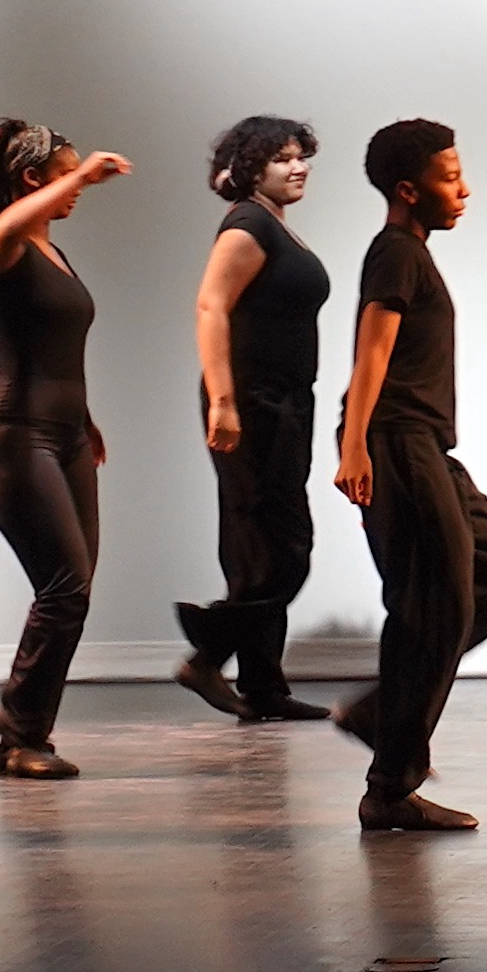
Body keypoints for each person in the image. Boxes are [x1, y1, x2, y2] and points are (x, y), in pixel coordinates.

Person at [332, 120, 487, 831]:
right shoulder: (395, 252)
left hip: (426, 445)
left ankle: (381, 711)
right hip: (395, 440)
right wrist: (355, 445)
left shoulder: (412, 253)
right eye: (450, 176)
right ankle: (391, 784)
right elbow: (372, 351)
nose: (463, 189)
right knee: (433, 603)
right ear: (408, 188)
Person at [0, 119, 130, 779]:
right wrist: (84, 171)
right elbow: (5, 227)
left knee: (76, 589)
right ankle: (18, 733)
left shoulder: (55, 253)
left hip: (64, 438)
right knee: (63, 588)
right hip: (13, 438)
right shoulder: (5, 244)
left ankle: (30, 729)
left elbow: (55, 347)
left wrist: (85, 421)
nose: (78, 192)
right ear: (32, 179)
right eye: (64, 179)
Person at [175, 117, 335, 723]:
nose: (298, 168)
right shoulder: (248, 225)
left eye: (302, 158)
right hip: (254, 404)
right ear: (250, 168)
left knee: (264, 545)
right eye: (283, 159)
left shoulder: (272, 227)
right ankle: (208, 651)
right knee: (281, 546)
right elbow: (211, 306)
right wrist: (223, 400)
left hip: (286, 402)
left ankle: (263, 683)